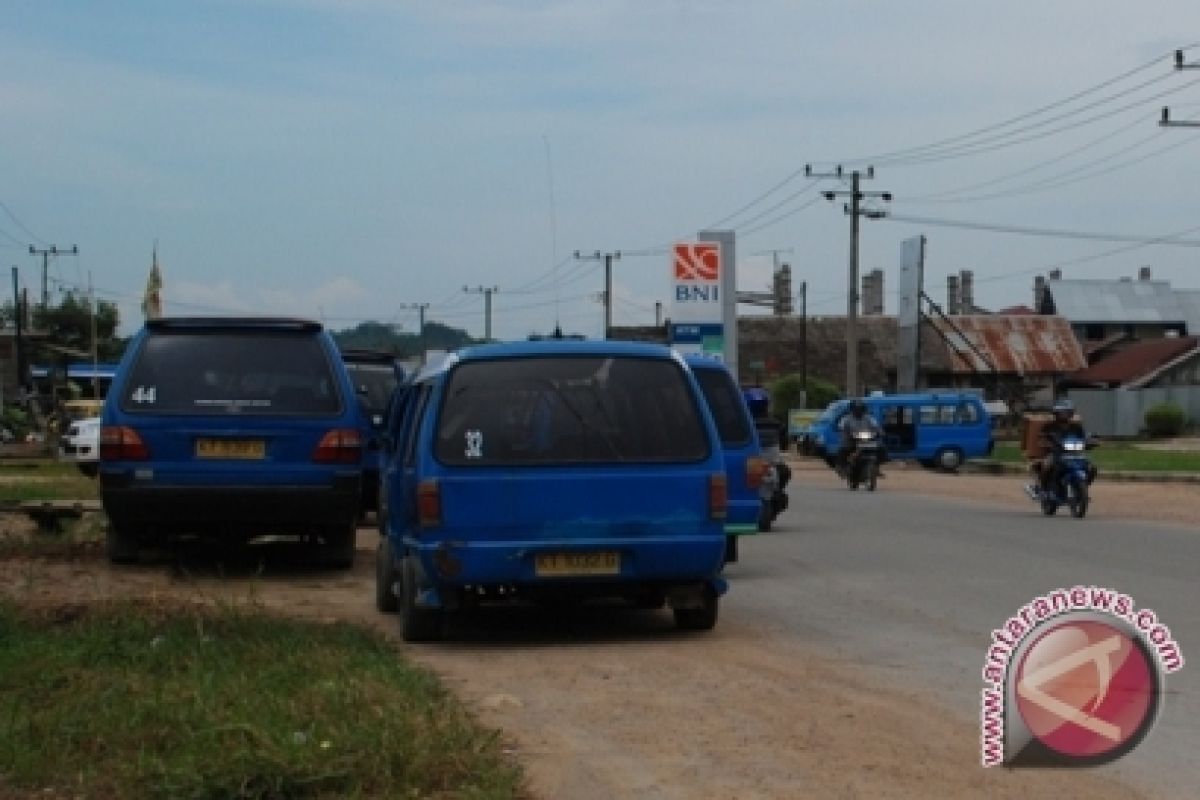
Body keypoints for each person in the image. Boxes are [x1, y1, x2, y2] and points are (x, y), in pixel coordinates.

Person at [1031, 399, 1087, 496]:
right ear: (1056, 413)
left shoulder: (1076, 427)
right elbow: (1042, 438)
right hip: (1056, 453)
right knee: (1047, 465)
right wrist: (1047, 443)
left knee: (1090, 467)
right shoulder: (1050, 426)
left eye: (1067, 412)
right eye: (1062, 413)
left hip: (1074, 454)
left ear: (1071, 413)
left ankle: (1080, 487)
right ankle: (1042, 488)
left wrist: (1090, 441)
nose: (1064, 415)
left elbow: (1083, 437)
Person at [837, 399, 883, 476]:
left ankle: (876, 467)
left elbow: (876, 427)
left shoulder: (869, 418)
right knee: (843, 450)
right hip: (851, 441)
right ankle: (843, 468)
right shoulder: (846, 419)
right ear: (852, 409)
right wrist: (846, 433)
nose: (859, 411)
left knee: (881, 449)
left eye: (860, 409)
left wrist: (880, 432)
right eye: (857, 409)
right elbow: (841, 427)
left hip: (867, 440)